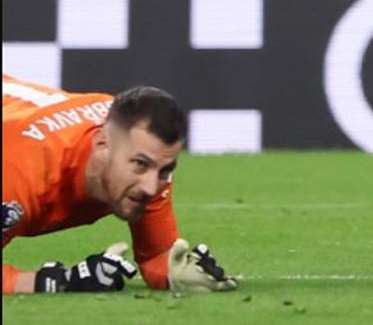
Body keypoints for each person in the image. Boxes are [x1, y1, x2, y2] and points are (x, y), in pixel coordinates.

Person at [2, 75, 236, 294]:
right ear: (102, 144)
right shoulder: (22, 171)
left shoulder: (142, 152)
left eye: (165, 170)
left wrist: (179, 274)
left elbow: (157, 256)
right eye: (140, 164)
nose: (150, 188)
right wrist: (56, 282)